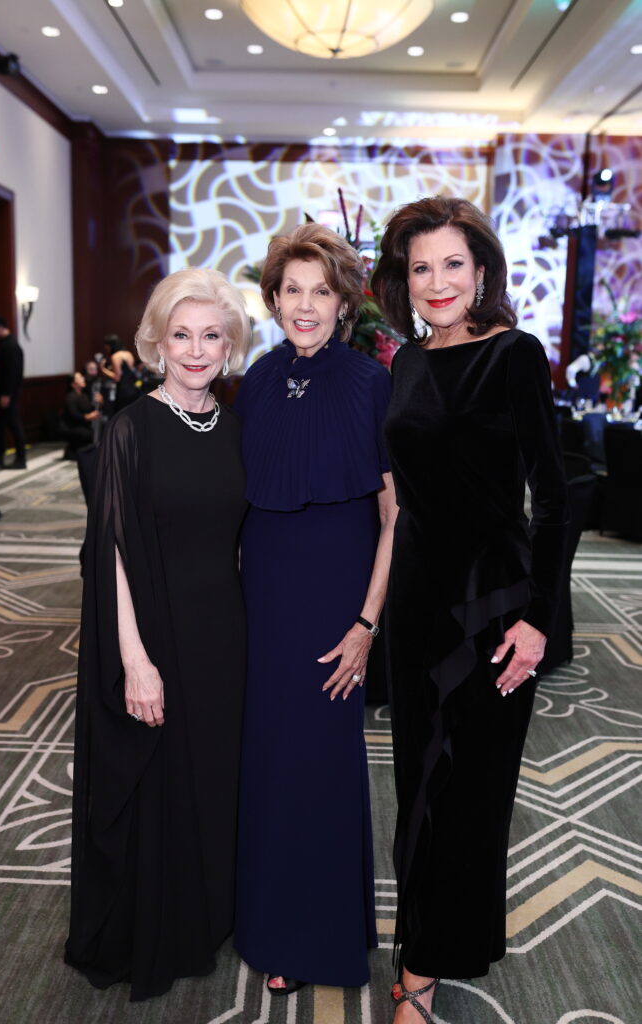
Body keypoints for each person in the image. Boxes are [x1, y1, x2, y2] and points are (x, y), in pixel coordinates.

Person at [371, 197, 570, 1023]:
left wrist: (539, 619)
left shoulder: (515, 355)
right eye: (421, 268)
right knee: (418, 781)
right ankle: (426, 948)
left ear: (481, 271)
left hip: (495, 603)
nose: (438, 281)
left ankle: (427, 964)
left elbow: (555, 499)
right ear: (403, 282)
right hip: (417, 603)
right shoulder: (404, 363)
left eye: (453, 264)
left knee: (473, 791)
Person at [65, 268, 251, 1001]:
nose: (197, 350)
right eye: (182, 335)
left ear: (230, 344)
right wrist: (133, 660)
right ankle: (159, 926)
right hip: (156, 632)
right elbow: (107, 550)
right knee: (159, 782)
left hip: (225, 638)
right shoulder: (129, 428)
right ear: (157, 343)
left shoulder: (236, 430)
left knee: (211, 781)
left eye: (212, 335)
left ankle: (207, 912)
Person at [234, 223, 398, 994]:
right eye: (291, 290)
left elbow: (395, 519)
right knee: (267, 761)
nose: (304, 305)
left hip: (335, 598)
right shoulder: (258, 379)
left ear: (344, 302)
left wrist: (366, 624)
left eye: (320, 291)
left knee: (323, 765)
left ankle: (320, 937)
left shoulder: (372, 383)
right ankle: (267, 922)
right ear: (272, 299)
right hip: (263, 596)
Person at [0, 314, 25, 469]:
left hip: (7, 394)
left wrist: (6, 394)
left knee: (14, 424)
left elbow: (13, 373)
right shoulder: (4, 344)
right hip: (3, 392)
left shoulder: (10, 346)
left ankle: (21, 459)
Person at [61, 372, 100, 457]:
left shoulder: (84, 395)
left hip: (83, 424)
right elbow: (73, 415)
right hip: (72, 426)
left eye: (82, 377)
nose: (83, 379)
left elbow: (90, 409)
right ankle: (73, 451)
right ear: (73, 384)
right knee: (86, 434)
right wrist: (87, 417)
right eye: (79, 378)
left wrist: (100, 403)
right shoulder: (70, 397)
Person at [100, 334, 140, 412]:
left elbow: (117, 377)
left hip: (123, 390)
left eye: (106, 345)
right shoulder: (128, 354)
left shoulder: (115, 356)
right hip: (133, 388)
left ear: (110, 345)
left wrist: (103, 369)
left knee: (122, 414)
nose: (106, 348)